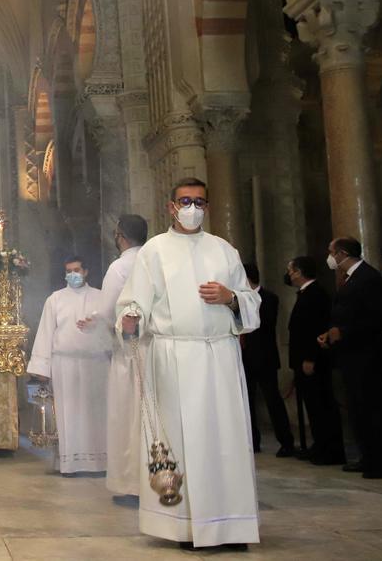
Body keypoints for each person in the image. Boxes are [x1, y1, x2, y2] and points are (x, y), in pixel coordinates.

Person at [117, 177, 260, 550]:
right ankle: (186, 526)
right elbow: (135, 301)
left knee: (225, 440)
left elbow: (251, 302)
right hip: (173, 358)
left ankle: (230, 526)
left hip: (219, 357)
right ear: (170, 206)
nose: (192, 208)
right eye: (185, 200)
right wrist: (131, 317)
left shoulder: (224, 250)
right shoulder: (154, 251)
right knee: (182, 440)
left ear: (208, 207)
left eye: (199, 201)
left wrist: (231, 299)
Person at [318, 237, 382, 479]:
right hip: (351, 355)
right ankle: (369, 456)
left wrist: (343, 331)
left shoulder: (368, 277)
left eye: (331, 252)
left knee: (374, 409)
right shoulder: (351, 278)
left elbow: (379, 315)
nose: (330, 257)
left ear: (342, 253)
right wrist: (331, 332)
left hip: (367, 356)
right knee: (359, 410)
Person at [28, 256, 111, 475]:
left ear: (86, 272)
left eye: (76, 270)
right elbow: (46, 332)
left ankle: (101, 461)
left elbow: (113, 328)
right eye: (68, 271)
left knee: (98, 411)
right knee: (69, 412)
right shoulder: (55, 300)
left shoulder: (102, 298)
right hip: (64, 363)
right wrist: (41, 368)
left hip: (96, 363)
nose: (72, 274)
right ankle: (71, 463)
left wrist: (97, 325)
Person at [95, 215, 147, 496]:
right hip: (157, 350)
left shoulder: (119, 267)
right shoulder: (155, 260)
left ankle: (131, 482)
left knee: (127, 416)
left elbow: (106, 311)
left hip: (128, 351)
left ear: (120, 236)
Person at [285, 256, 345, 465]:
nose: (289, 274)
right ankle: (320, 445)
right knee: (314, 406)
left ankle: (330, 450)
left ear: (299, 272)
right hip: (304, 360)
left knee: (322, 405)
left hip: (313, 361)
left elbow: (315, 328)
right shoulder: (307, 293)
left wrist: (311, 358)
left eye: (291, 270)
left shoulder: (315, 294)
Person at [241, 263, 295, 457]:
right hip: (244, 358)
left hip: (264, 358)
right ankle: (253, 441)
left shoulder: (269, 298)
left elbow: (262, 325)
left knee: (273, 401)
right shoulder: (238, 299)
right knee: (247, 402)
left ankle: (286, 441)